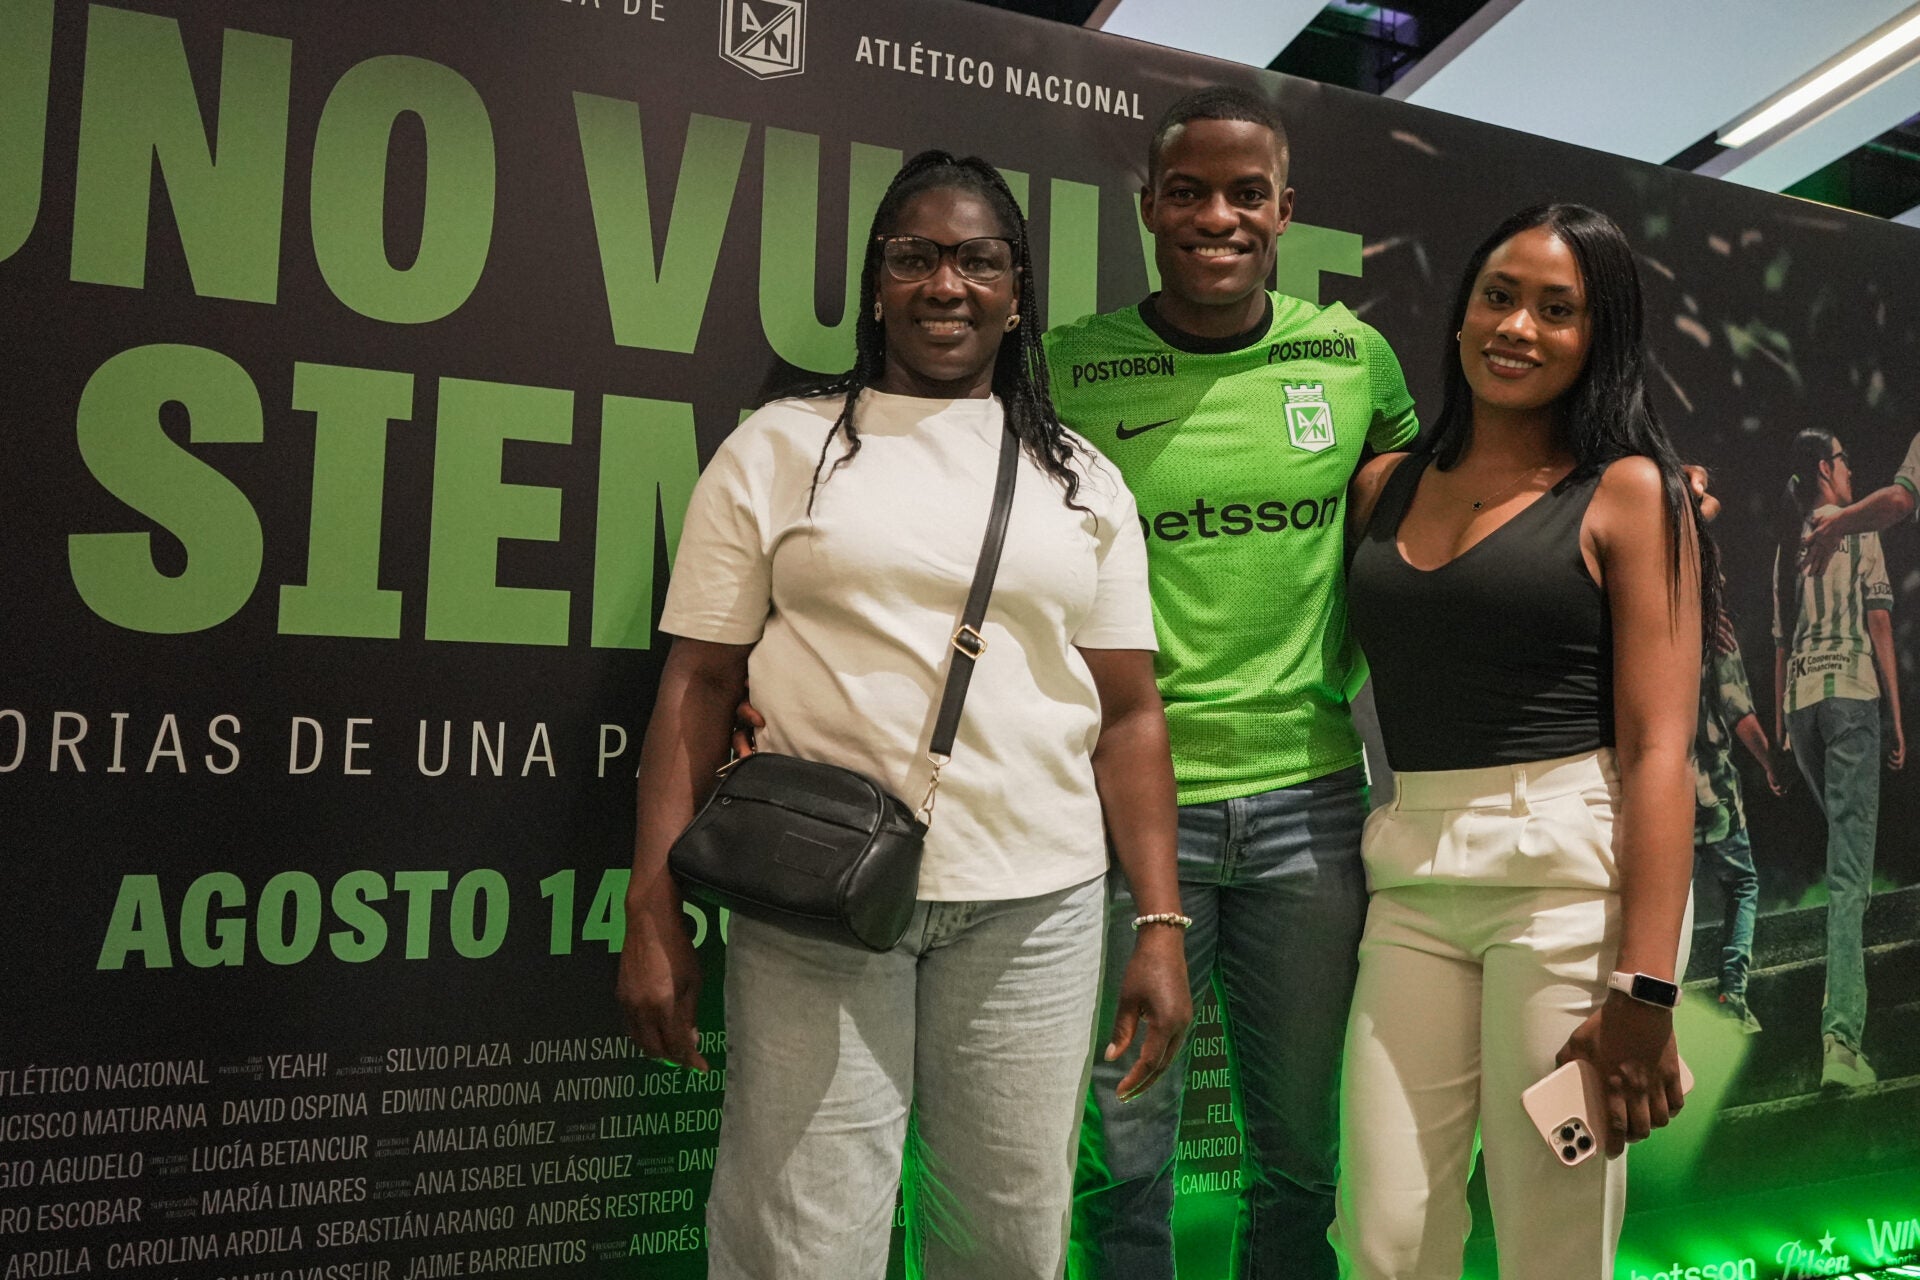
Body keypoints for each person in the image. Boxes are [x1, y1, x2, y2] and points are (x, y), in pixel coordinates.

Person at [614, 150, 1190, 1280]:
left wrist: (1160, 924)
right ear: (876, 285)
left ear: (1018, 295)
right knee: (801, 1243)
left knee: (1009, 1243)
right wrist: (652, 904)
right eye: (915, 256)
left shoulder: (1079, 476)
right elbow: (697, 684)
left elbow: (1129, 717)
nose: (946, 283)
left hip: (1036, 908)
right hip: (814, 896)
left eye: (980, 261)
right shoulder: (781, 447)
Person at [1044, 87, 1419, 1280]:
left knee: (1302, 1157)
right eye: (1189, 193)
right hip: (1122, 815)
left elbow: (1436, 505)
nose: (1219, 217)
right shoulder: (1068, 368)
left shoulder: (1350, 357)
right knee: (1122, 1159)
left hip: (1311, 806)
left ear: (1284, 211)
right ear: (1147, 207)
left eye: (1246, 194)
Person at [1339, 203, 1712, 1278]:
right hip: (1412, 881)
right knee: (1383, 1239)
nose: (1518, 327)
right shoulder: (1382, 486)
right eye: (1499, 296)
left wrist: (1645, 989)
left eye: (1558, 310)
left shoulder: (1632, 493)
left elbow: (1659, 752)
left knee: (1553, 1243)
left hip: (1570, 891)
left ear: (1600, 336)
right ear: (1461, 312)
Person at [1771, 429, 1905, 1089]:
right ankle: (1842, 1044)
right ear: (1826, 468)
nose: (1851, 469)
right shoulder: (1859, 529)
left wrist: (1781, 726)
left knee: (1841, 857)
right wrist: (1897, 718)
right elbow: (1879, 623)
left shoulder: (1785, 548)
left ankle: (1839, 1028)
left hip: (1802, 708)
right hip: (1852, 697)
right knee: (1850, 876)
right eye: (1845, 459)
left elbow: (1779, 642)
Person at [1685, 465, 1787, 1035]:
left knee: (1670, 903)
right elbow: (1739, 711)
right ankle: (1732, 996)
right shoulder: (1714, 631)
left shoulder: (1647, 623)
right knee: (1743, 885)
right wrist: (1773, 762)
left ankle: (1665, 1003)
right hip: (1713, 788)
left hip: (1662, 789)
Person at [1801, 429, 1919, 570]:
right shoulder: (1865, 531)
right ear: (1825, 469)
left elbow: (1900, 501)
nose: (1850, 472)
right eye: (1843, 458)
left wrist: (1837, 524)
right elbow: (1900, 501)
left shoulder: (1789, 527)